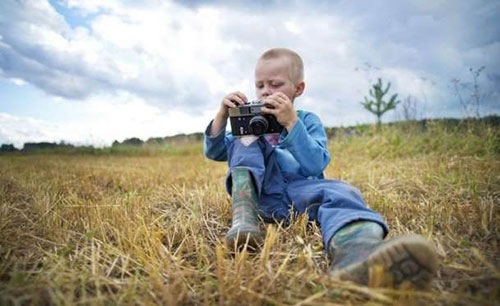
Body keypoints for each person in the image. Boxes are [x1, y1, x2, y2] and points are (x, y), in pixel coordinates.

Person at [203, 48, 438, 288]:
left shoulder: (306, 120)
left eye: (275, 84)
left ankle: (357, 254)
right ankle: (244, 219)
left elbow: (315, 164)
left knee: (342, 191)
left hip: (302, 195)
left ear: (298, 89)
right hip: (260, 197)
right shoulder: (249, 122)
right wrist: (222, 116)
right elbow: (216, 152)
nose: (266, 91)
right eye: (260, 85)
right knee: (246, 141)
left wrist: (292, 124)